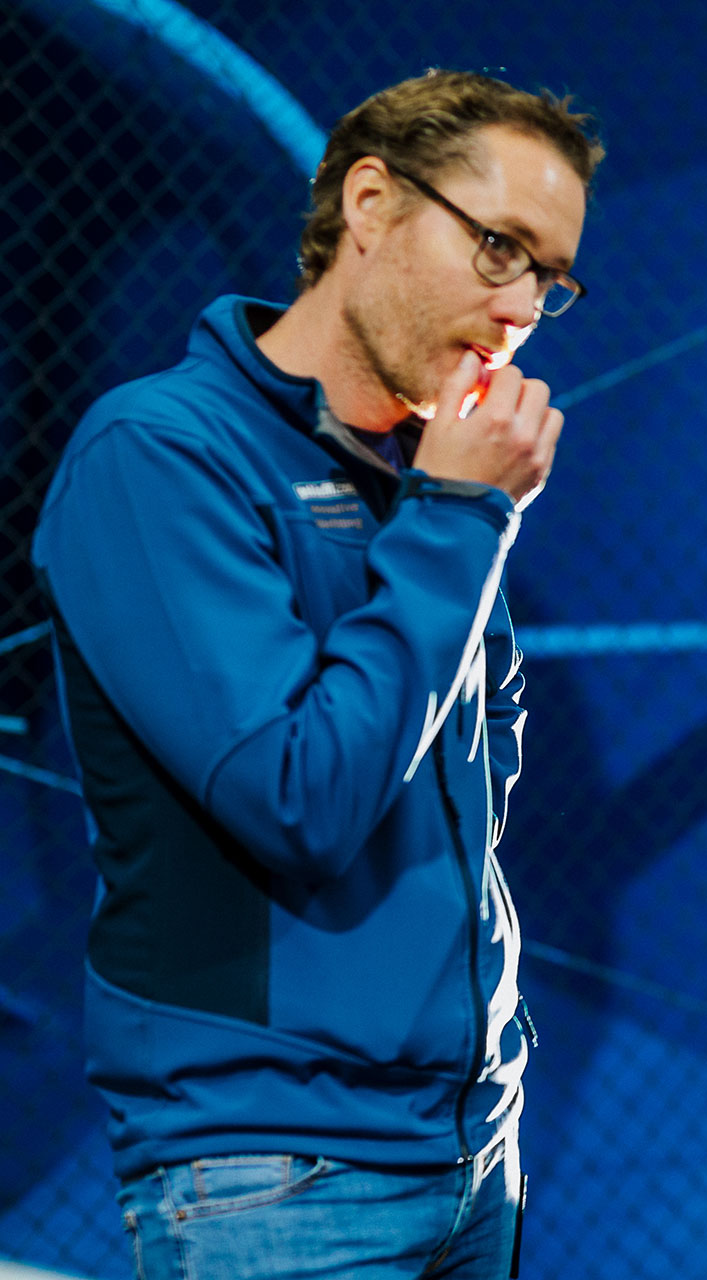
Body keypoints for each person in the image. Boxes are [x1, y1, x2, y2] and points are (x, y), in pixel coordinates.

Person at [31, 71, 600, 1279]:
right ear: (373, 204)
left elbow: (479, 760)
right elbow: (299, 797)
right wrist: (462, 515)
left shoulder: (426, 472)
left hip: (472, 1144)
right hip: (274, 1163)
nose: (520, 307)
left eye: (549, 278)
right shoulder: (159, 453)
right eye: (499, 247)